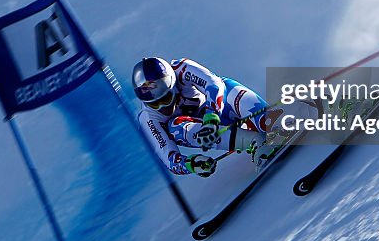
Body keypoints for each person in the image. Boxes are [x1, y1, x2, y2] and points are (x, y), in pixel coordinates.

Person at [132, 57, 316, 177]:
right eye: (155, 104)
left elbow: (214, 84)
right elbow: (169, 158)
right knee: (175, 126)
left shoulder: (182, 69)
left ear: (172, 85)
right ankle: (256, 143)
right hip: (210, 130)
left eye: (166, 98)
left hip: (224, 108)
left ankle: (279, 121)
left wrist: (211, 117)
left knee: (227, 88)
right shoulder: (148, 118)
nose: (163, 107)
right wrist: (192, 163)